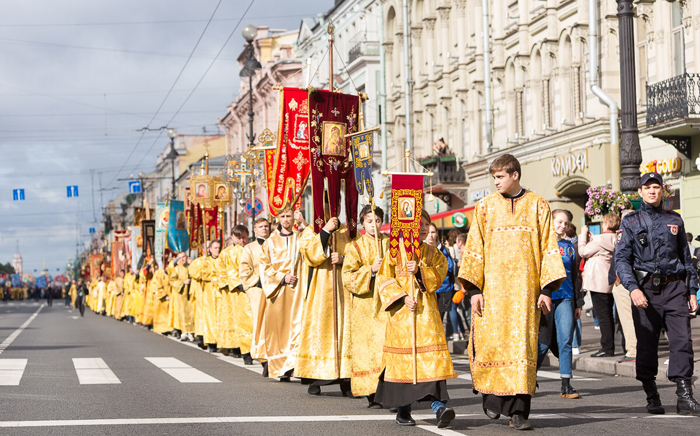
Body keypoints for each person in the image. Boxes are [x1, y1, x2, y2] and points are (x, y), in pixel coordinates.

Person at [458, 154, 566, 431]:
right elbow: (474, 250)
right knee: (492, 345)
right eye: (493, 177)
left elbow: (548, 250)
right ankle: (492, 398)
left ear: (515, 175)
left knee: (523, 350)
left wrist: (546, 290)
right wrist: (474, 290)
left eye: (500, 177)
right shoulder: (484, 207)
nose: (496, 182)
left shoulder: (538, 206)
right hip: (492, 294)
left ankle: (519, 412)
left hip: (526, 295)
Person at [615, 171, 700, 416]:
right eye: (647, 187)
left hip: (675, 288)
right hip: (645, 291)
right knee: (647, 345)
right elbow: (621, 260)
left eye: (656, 187)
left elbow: (686, 258)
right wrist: (632, 289)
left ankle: (684, 395)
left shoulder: (675, 220)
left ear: (662, 191)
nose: (652, 191)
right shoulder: (630, 222)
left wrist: (692, 290)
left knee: (683, 342)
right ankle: (652, 394)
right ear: (640, 192)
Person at [375, 209, 456, 428]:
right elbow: (383, 279)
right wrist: (402, 298)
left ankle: (439, 407)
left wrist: (420, 270)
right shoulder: (394, 251)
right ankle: (403, 410)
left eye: (425, 224)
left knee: (432, 364)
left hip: (427, 317)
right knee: (403, 365)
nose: (421, 228)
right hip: (402, 318)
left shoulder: (432, 252)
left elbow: (441, 274)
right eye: (417, 224)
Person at [296, 208, 354, 396]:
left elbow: (359, 256)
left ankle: (347, 378)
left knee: (346, 332)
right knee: (320, 330)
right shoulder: (311, 230)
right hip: (320, 292)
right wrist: (326, 231)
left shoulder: (349, 231)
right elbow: (309, 255)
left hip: (345, 291)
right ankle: (316, 376)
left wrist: (344, 259)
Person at [341, 205, 389, 406]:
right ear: (362, 224)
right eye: (370, 221)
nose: (374, 225)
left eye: (377, 221)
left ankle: (388, 390)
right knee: (367, 349)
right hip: (364, 306)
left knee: (385, 348)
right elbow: (347, 277)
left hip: (387, 303)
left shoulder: (389, 243)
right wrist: (370, 270)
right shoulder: (355, 247)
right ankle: (370, 392)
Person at [537, 212, 583, 399]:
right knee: (541, 343)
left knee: (565, 341)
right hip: (543, 299)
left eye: (566, 223)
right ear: (551, 221)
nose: (563, 225)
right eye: (559, 222)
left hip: (566, 298)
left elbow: (575, 276)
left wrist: (578, 303)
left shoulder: (569, 247)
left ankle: (566, 384)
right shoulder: (539, 244)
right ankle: (528, 380)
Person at [259, 206, 305, 381]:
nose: (286, 219)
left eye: (289, 216)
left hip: (299, 290)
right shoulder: (270, 242)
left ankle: (296, 366)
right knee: (279, 330)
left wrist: (304, 223)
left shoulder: (301, 238)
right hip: (278, 292)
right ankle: (280, 367)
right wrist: (282, 277)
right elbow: (264, 267)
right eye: (282, 216)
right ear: (277, 218)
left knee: (298, 328)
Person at [579, 213, 619, 357]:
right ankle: (609, 346)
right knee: (608, 315)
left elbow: (583, 251)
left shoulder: (599, 239)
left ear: (607, 224)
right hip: (609, 280)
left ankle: (607, 348)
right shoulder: (616, 238)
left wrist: (583, 236)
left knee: (603, 316)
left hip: (597, 281)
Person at [216, 225, 254, 364]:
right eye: (239, 237)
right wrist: (239, 285)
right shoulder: (228, 253)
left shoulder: (254, 248)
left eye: (244, 237)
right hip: (239, 291)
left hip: (256, 288)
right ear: (233, 237)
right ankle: (245, 352)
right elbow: (229, 271)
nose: (242, 240)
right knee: (244, 322)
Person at [240, 217, 271, 366]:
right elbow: (245, 269)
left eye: (266, 226)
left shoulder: (276, 244)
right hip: (258, 289)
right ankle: (262, 355)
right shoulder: (249, 248)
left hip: (275, 288)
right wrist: (258, 281)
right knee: (260, 322)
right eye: (261, 226)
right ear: (255, 229)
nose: (264, 229)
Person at [425, 223, 462, 340]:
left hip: (444, 289)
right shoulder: (421, 249)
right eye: (428, 232)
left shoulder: (444, 249)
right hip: (427, 290)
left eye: (433, 232)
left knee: (440, 318)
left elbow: (449, 268)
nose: (430, 235)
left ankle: (444, 339)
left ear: (436, 233)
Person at [171, 252, 195, 342]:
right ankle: (184, 332)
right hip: (182, 295)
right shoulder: (177, 269)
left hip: (191, 293)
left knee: (192, 313)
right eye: (180, 258)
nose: (182, 259)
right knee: (184, 313)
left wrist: (191, 264)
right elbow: (172, 280)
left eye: (183, 257)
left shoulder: (190, 266)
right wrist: (182, 283)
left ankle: (192, 332)